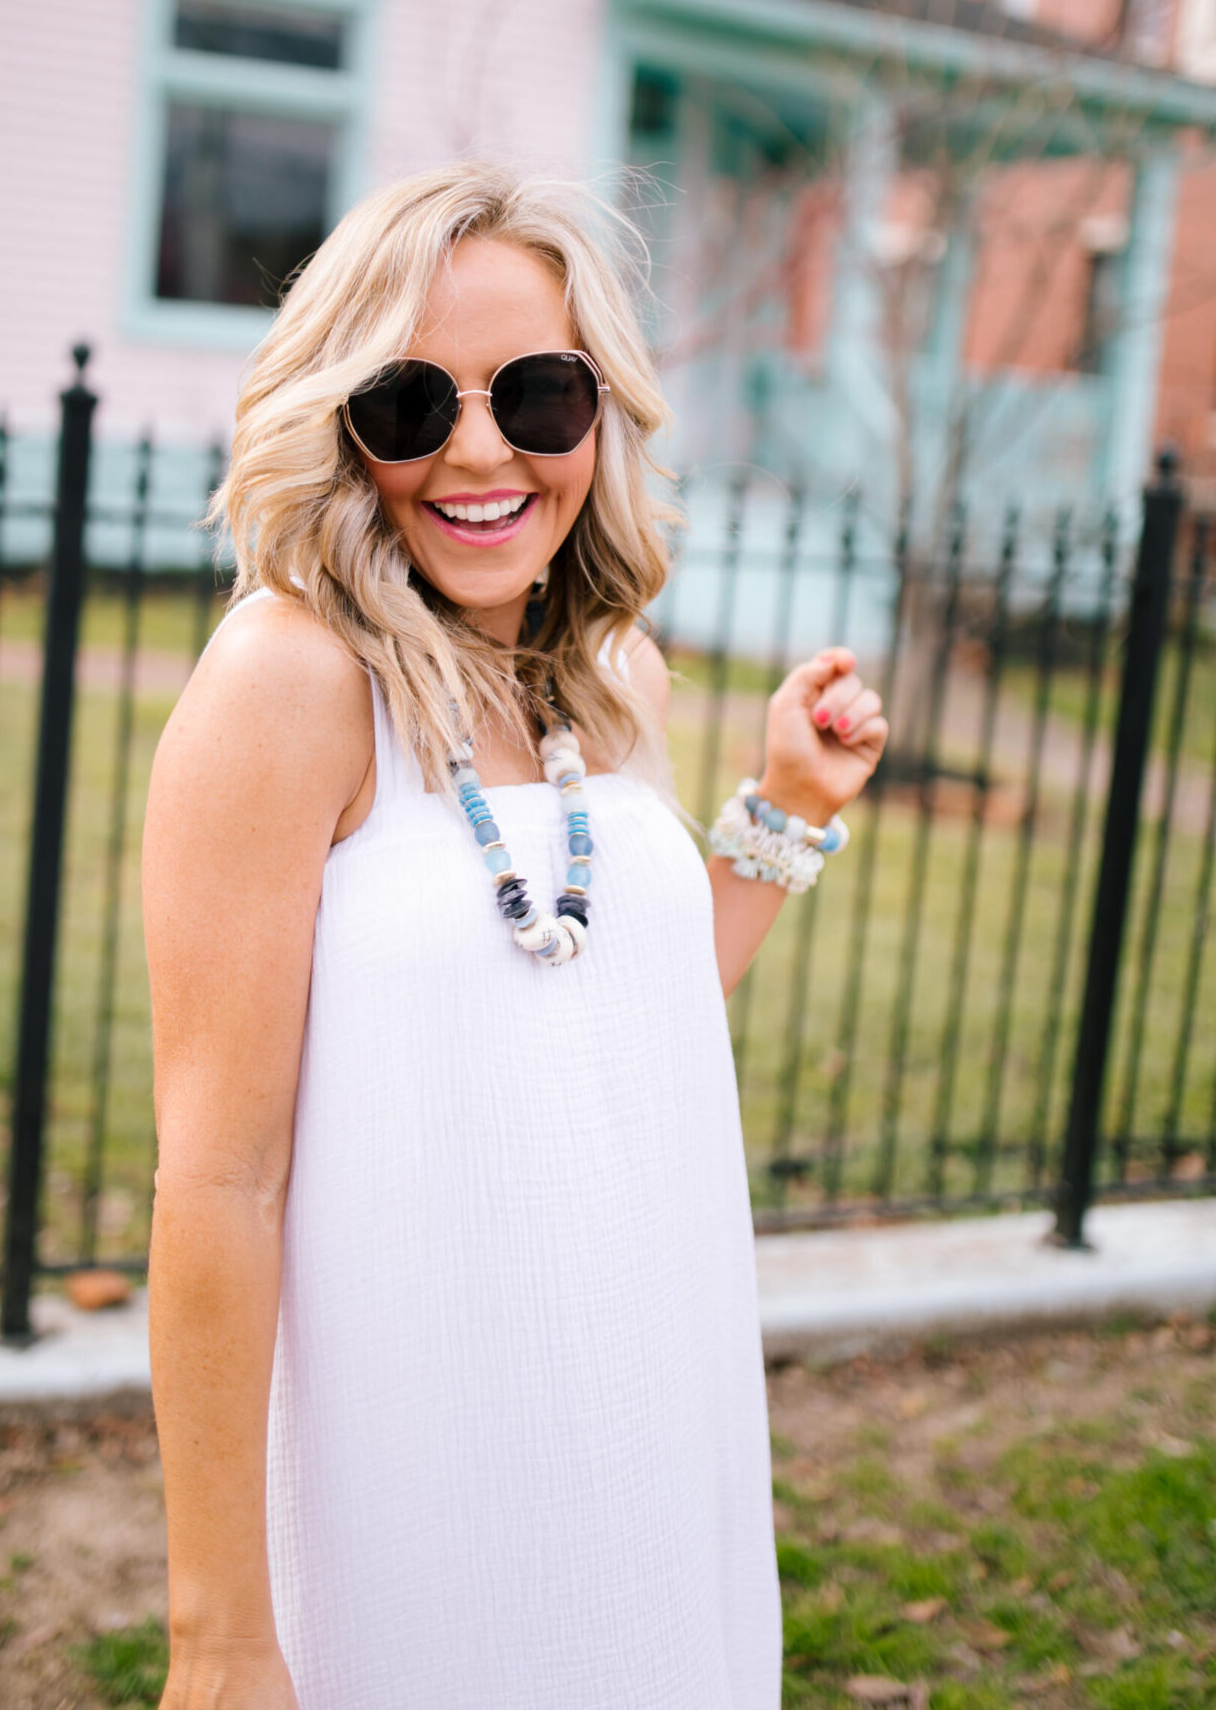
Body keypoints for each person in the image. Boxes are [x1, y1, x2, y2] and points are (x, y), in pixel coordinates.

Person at [142, 164, 888, 1710]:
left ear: (596, 411)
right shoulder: (287, 682)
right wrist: (220, 1638)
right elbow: (220, 1180)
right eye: (413, 403)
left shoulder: (609, 671)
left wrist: (786, 807)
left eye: (537, 393)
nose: (480, 450)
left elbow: (623, 1019)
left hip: (646, 1406)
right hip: (420, 1456)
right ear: (343, 425)